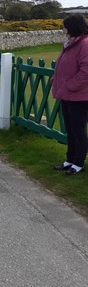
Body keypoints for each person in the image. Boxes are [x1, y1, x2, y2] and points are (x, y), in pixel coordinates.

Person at [52, 13, 88, 175]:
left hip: (79, 96)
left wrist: (69, 85)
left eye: (65, 26)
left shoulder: (84, 44)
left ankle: (78, 163)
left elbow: (85, 72)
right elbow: (64, 66)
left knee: (78, 131)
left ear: (72, 27)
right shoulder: (70, 43)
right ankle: (70, 159)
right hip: (67, 94)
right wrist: (56, 79)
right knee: (70, 129)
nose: (63, 29)